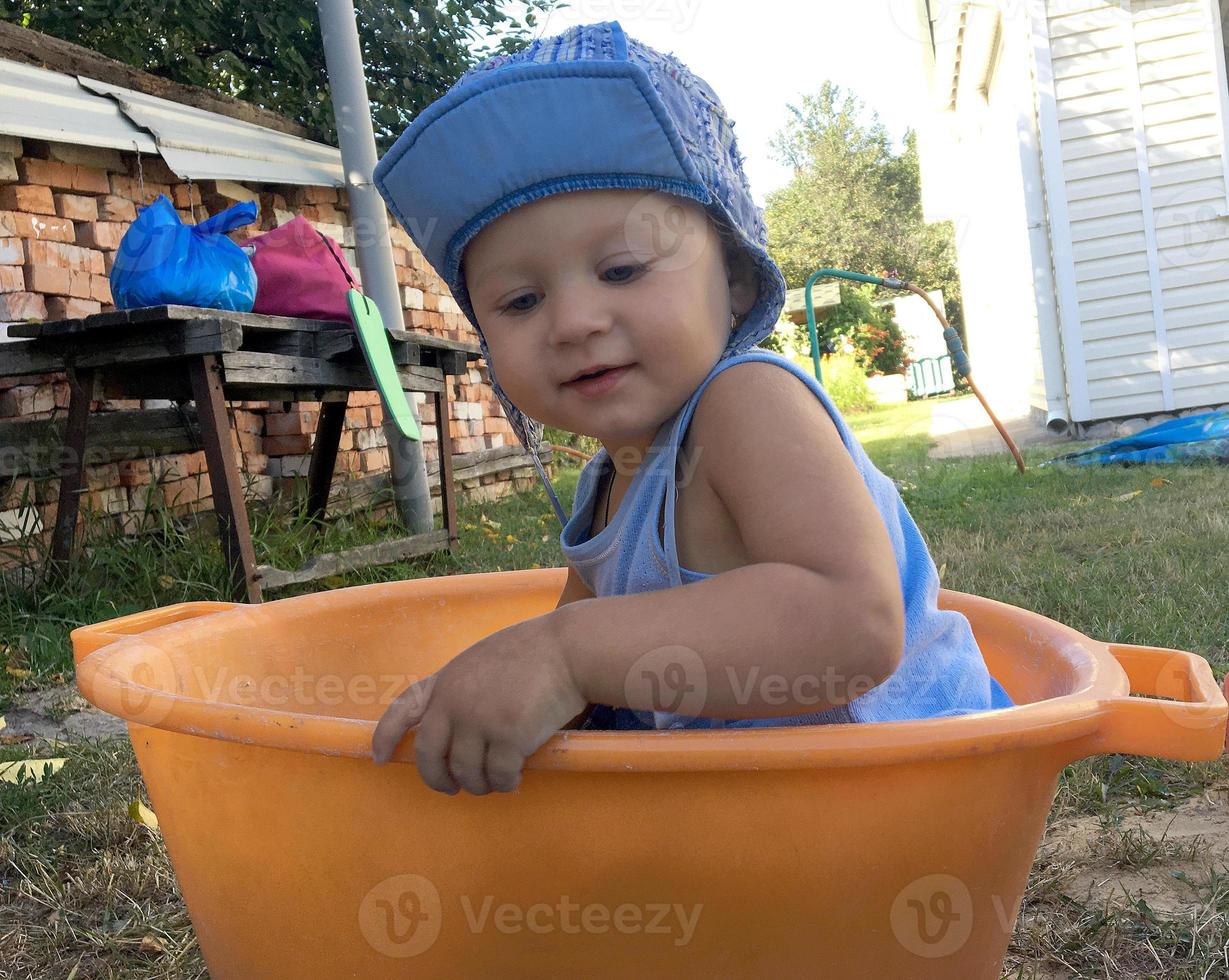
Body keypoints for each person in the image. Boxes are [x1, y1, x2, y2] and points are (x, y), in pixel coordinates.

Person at [369, 21, 1014, 795]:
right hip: (752, 829)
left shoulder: (747, 403)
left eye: (620, 268)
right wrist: (484, 694)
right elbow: (603, 687)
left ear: (735, 280)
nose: (573, 322)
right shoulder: (607, 486)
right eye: (521, 299)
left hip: (910, 799)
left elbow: (852, 623)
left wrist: (565, 652)